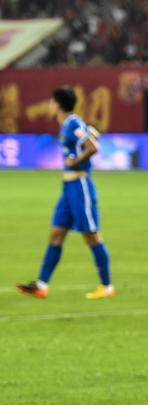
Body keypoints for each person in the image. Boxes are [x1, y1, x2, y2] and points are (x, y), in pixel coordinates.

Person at [16, 87, 114, 300]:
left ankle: (107, 287)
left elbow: (93, 145)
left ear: (57, 104)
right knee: (56, 234)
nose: (50, 105)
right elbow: (94, 133)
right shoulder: (69, 124)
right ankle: (41, 285)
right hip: (68, 188)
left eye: (51, 102)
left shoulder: (72, 123)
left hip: (80, 186)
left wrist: (75, 161)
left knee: (92, 235)